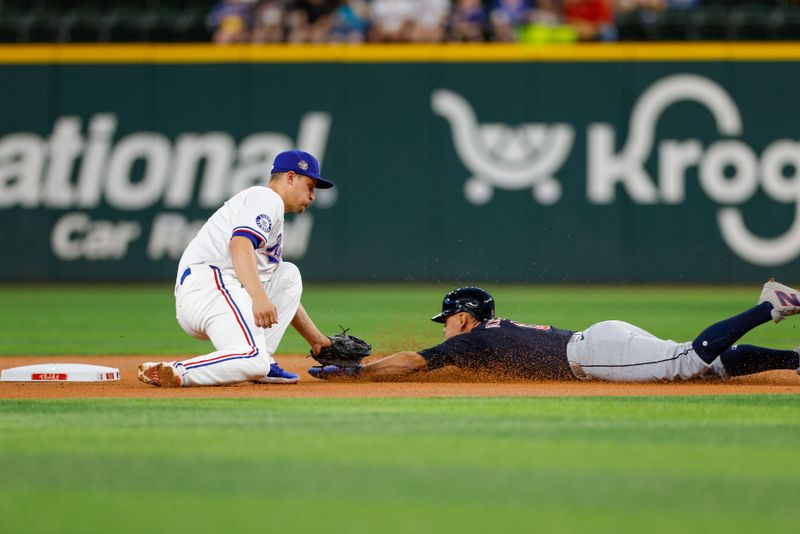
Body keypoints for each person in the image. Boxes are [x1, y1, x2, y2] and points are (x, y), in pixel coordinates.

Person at [309, 281, 800, 382]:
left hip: (593, 353)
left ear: (462, 317)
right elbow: (421, 366)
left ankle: (767, 307)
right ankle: (794, 360)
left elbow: (415, 361)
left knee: (687, 360)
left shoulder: (473, 338)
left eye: (447, 320)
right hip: (598, 340)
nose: (446, 330)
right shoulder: (491, 336)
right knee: (704, 368)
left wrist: (361, 373)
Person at [139, 150, 335, 387]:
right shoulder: (267, 198)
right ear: (291, 177)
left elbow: (276, 288)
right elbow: (239, 244)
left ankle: (264, 360)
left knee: (287, 275)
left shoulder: (268, 209)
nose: (313, 195)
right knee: (254, 360)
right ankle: (175, 371)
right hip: (211, 285)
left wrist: (318, 341)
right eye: (310, 185)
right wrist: (258, 296)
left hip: (215, 291)